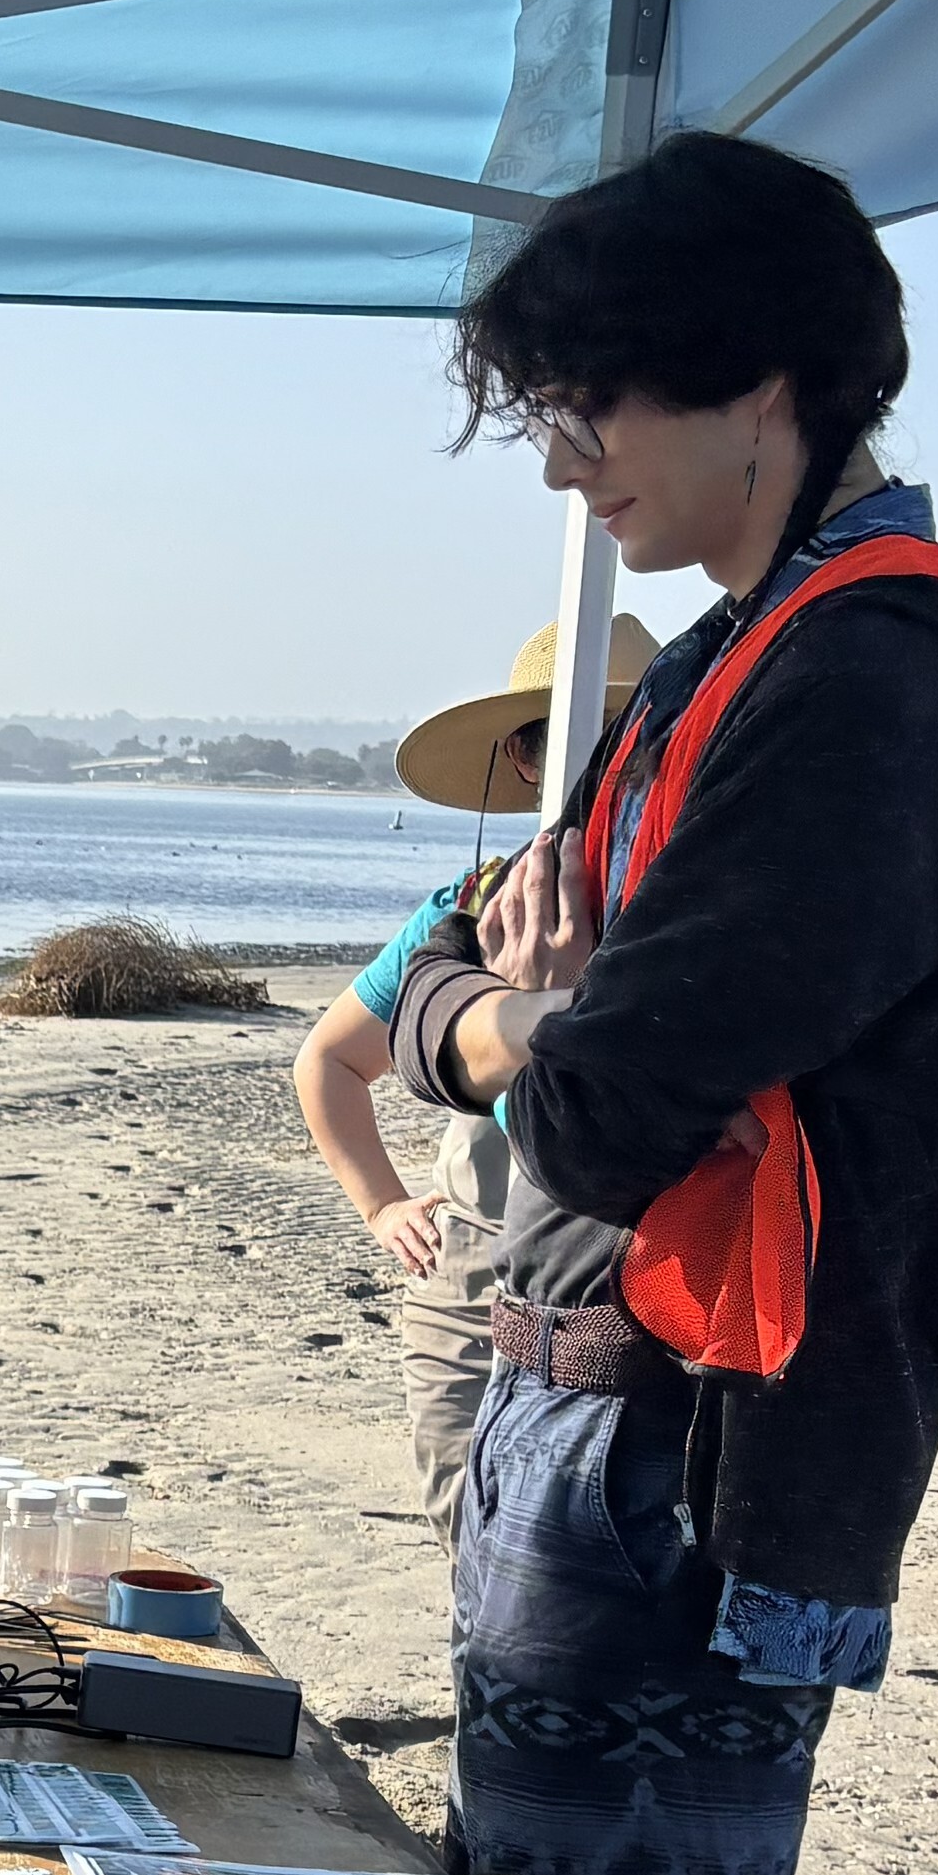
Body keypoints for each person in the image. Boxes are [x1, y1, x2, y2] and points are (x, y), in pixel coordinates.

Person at [384, 132, 938, 1875]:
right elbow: (440, 984)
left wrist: (518, 1026)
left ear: (757, 381)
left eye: (593, 403)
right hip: (574, 1411)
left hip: (696, 1449)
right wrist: (512, 1017)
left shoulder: (875, 681)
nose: (564, 463)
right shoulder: (726, 657)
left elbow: (599, 1098)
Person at [292, 619, 651, 1522]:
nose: (597, 759)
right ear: (522, 759)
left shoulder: (694, 909)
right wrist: (383, 1206)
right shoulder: (470, 909)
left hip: (641, 1283)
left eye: (626, 732)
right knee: (466, 1516)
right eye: (557, 738)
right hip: (471, 1272)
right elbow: (329, 1060)